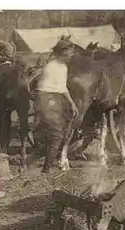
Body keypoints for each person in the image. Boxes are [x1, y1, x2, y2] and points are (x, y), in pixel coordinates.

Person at [34, 38, 79, 173]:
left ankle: (28, 162)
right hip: (47, 99)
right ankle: (46, 170)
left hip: (56, 99)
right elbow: (43, 89)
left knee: (57, 135)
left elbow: (62, 87)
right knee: (57, 136)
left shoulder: (63, 67)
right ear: (62, 53)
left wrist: (72, 104)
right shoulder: (51, 66)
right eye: (69, 53)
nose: (71, 56)